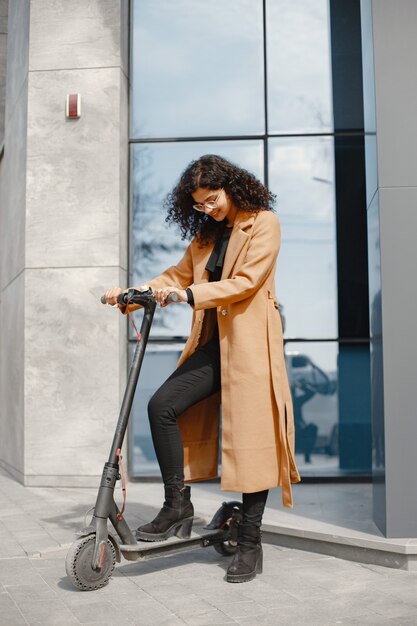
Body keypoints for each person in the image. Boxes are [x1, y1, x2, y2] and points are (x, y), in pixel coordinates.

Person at [104, 154, 301, 583]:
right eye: (199, 205)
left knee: (253, 444)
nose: (208, 210)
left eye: (212, 201)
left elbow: (247, 281)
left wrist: (190, 296)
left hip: (250, 347)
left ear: (231, 187)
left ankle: (250, 545)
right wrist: (133, 292)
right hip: (212, 346)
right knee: (162, 406)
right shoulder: (205, 238)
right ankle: (178, 506)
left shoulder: (263, 222)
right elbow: (174, 276)